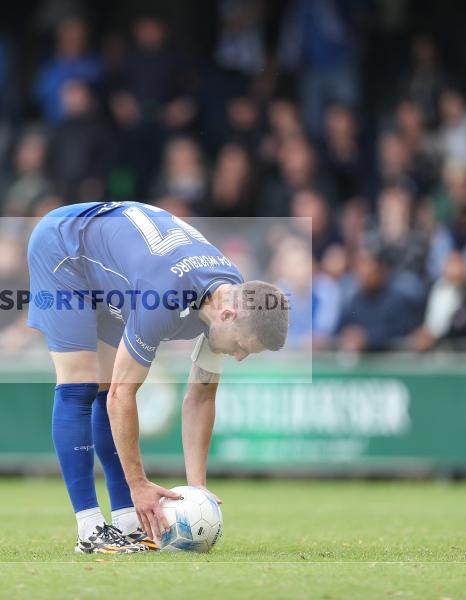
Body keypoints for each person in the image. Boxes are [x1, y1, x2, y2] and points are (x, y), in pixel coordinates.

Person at [25, 200, 289, 553]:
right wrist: (139, 484)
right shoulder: (164, 297)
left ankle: (127, 523)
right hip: (63, 247)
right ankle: (89, 529)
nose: (239, 357)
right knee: (81, 386)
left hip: (109, 267)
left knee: (105, 392)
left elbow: (201, 395)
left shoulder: (231, 293)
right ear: (227, 316)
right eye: (242, 346)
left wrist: (197, 490)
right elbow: (124, 396)